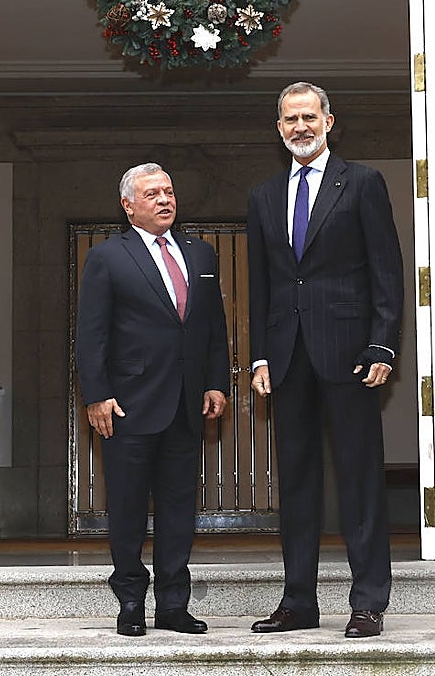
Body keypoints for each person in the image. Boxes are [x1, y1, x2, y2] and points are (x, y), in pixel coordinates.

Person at [246, 82, 403, 639]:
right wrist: (259, 357)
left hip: (351, 355)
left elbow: (386, 268)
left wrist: (383, 345)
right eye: (289, 119)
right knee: (297, 483)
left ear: (329, 122)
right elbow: (262, 285)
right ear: (279, 128)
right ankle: (298, 603)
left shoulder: (361, 183)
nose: (300, 128)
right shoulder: (264, 196)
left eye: (309, 117)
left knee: (360, 479)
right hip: (287, 359)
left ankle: (367, 603)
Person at [75, 162, 230, 637]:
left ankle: (174, 606)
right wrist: (97, 394)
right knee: (126, 509)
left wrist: (215, 381)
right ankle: (129, 603)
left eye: (169, 191)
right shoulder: (107, 257)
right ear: (128, 205)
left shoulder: (201, 255)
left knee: (180, 509)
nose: (165, 200)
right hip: (128, 407)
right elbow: (91, 333)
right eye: (152, 194)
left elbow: (213, 328)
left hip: (185, 404)